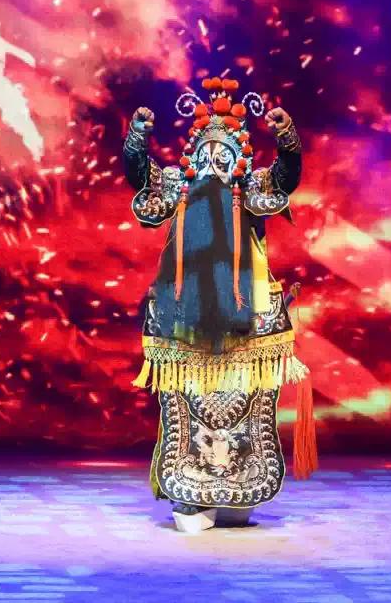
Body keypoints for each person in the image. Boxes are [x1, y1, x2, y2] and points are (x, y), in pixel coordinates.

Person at [123, 78, 315, 533]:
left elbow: (286, 175)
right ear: (192, 159)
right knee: (191, 406)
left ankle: (236, 494)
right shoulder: (179, 187)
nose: (215, 163)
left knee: (246, 406)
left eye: (224, 155)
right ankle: (192, 500)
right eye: (206, 155)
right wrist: (137, 136)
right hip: (186, 320)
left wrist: (286, 137)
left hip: (248, 320)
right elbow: (141, 174)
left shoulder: (251, 187)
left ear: (238, 158)